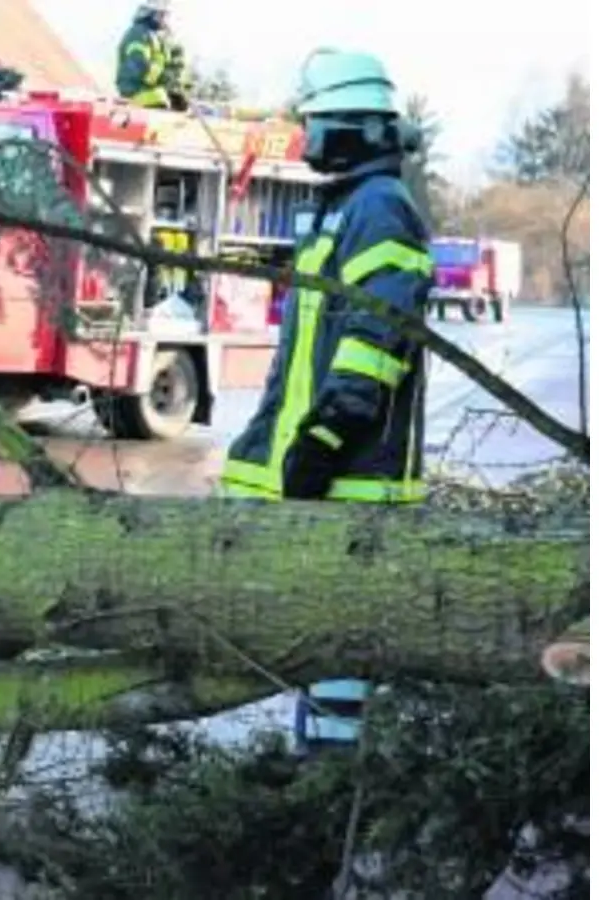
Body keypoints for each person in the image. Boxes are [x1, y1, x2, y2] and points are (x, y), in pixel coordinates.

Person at [216, 48, 433, 754]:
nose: (304, 139)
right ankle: (319, 763)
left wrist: (328, 436)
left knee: (339, 640)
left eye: (313, 124)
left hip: (353, 474)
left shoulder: (380, 210)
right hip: (323, 469)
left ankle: (332, 780)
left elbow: (377, 337)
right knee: (316, 632)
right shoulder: (342, 208)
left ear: (353, 127)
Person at [116, 0, 190, 111]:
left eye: (166, 15)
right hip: (136, 94)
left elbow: (173, 65)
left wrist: (175, 91)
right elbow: (137, 67)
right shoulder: (138, 35)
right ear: (151, 14)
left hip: (154, 93)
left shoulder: (160, 37)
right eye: (162, 14)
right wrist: (166, 83)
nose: (165, 19)